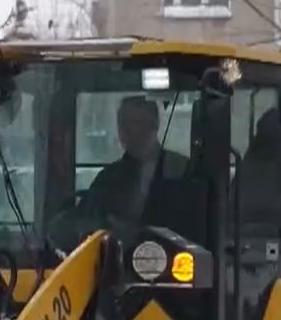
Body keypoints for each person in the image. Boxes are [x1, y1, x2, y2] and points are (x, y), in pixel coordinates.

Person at [65, 96, 191, 244]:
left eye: (136, 123)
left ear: (154, 124)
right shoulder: (107, 179)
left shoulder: (183, 171)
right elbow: (84, 222)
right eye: (123, 124)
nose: (129, 132)